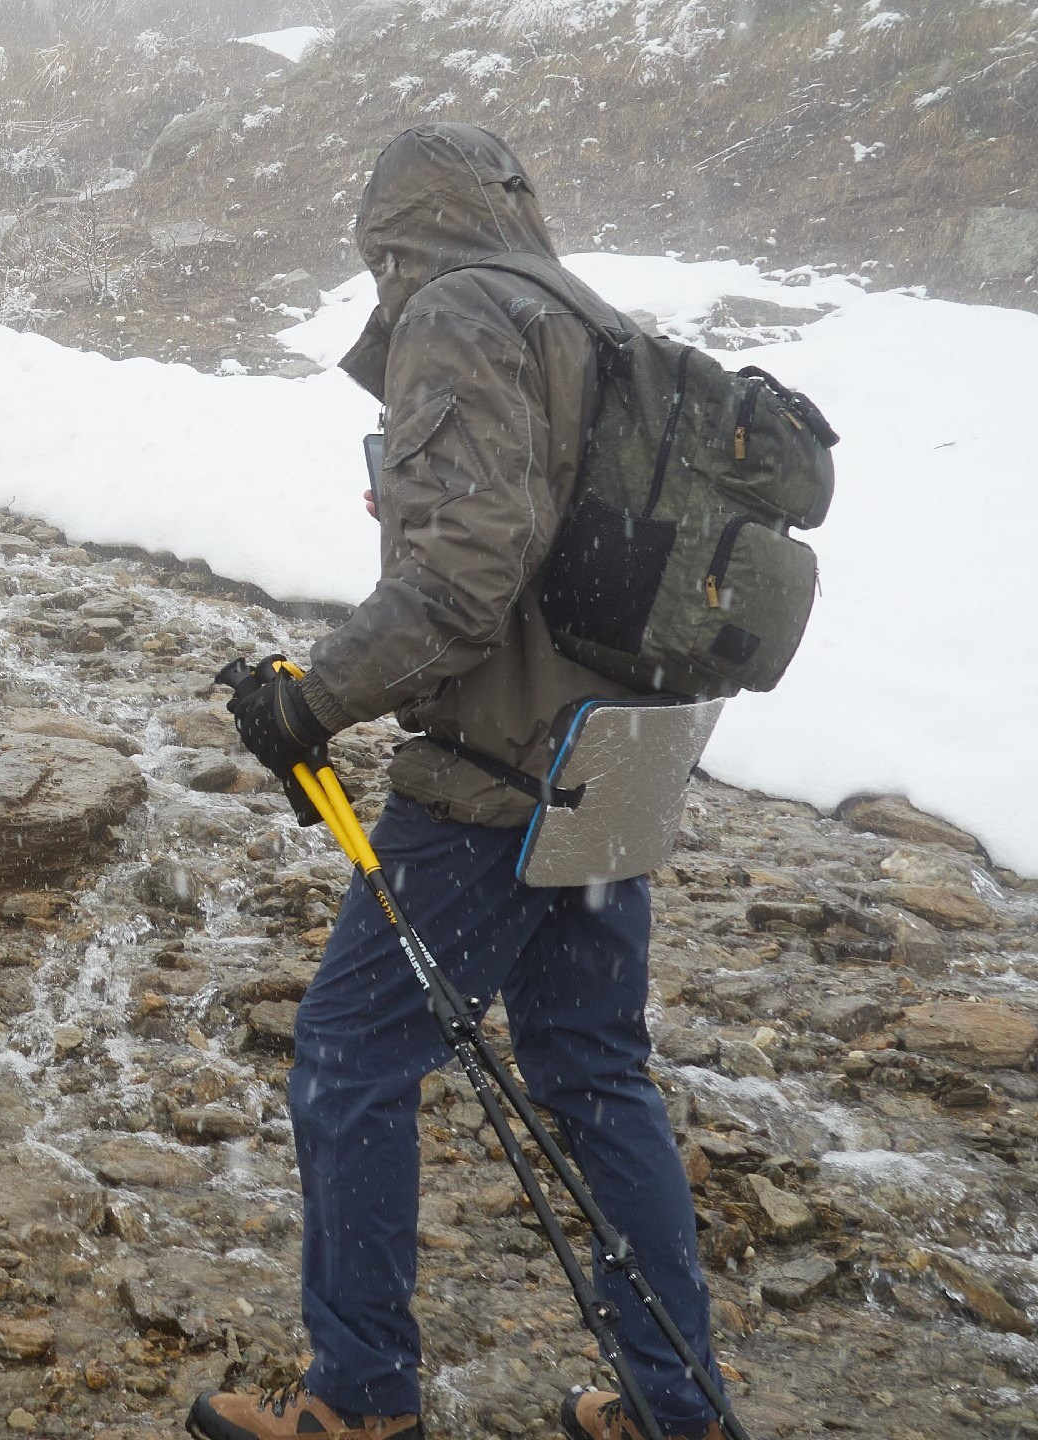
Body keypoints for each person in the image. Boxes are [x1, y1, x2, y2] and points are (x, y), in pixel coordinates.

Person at [189, 126, 723, 1440]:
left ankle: (359, 1397)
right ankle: (678, 1406)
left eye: (379, 256)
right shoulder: (593, 322)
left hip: (498, 774)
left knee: (350, 1053)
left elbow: (467, 582)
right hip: (626, 753)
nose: (379, 283)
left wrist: (307, 703)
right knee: (597, 1071)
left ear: (397, 235)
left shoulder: (460, 314)